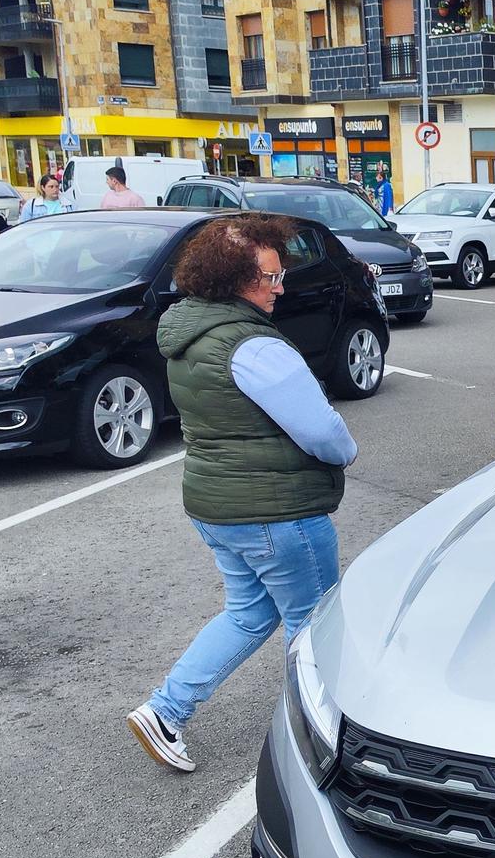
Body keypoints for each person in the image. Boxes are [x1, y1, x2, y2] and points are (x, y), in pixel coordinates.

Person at [125, 216, 357, 773]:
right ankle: (314, 749)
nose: (280, 289)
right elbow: (323, 432)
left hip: (218, 506)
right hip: (279, 512)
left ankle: (166, 710)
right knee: (315, 628)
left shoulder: (188, 332)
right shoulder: (253, 346)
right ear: (235, 279)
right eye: (271, 277)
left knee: (249, 614)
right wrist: (346, 452)